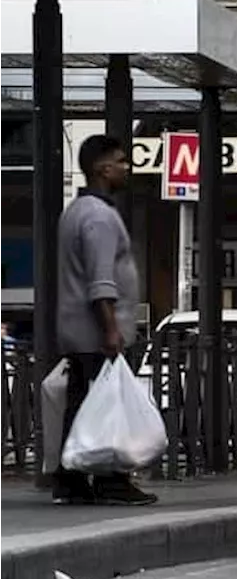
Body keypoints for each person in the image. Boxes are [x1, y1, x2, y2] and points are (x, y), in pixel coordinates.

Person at [53, 134, 156, 506]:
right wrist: (111, 329)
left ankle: (71, 479)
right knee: (106, 408)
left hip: (79, 331)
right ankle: (111, 479)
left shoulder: (76, 212)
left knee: (83, 405)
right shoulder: (98, 216)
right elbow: (100, 280)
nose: (127, 168)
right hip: (96, 333)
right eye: (121, 161)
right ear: (102, 168)